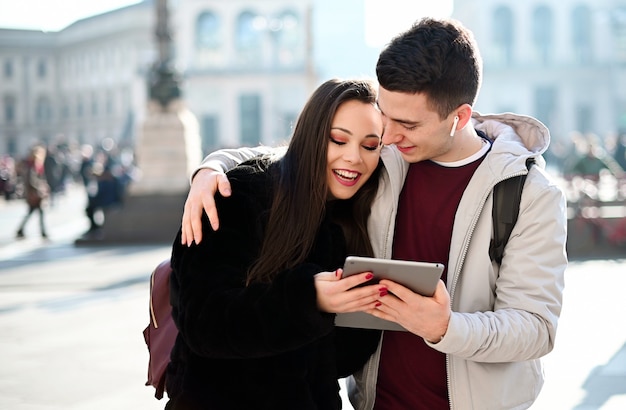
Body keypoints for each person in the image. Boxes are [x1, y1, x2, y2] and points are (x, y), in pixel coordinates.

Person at [181, 18, 568, 410]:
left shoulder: (530, 194)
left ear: (460, 117)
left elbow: (535, 328)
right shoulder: (383, 157)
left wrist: (446, 327)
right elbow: (302, 153)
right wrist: (213, 168)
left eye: (408, 124)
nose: (388, 135)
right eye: (386, 115)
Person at [165, 78, 389, 409]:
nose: (354, 157)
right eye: (339, 140)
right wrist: (307, 299)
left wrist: (367, 311)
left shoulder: (347, 219)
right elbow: (203, 321)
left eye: (370, 146)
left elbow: (334, 361)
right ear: (313, 135)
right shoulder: (239, 192)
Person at [15, 145, 50, 239]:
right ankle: (43, 232)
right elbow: (30, 180)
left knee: (33, 212)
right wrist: (39, 189)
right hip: (35, 194)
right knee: (38, 212)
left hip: (36, 193)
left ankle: (21, 230)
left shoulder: (37, 164)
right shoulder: (32, 165)